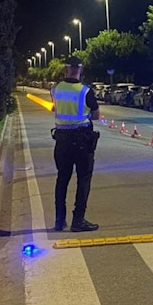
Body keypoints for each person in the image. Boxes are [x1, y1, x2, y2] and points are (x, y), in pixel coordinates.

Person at [51, 57, 101, 233]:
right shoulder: (85, 91)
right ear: (80, 70)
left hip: (61, 140)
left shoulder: (56, 89)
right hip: (81, 140)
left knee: (62, 179)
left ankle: (59, 220)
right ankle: (78, 220)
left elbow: (55, 108)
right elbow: (96, 116)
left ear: (65, 69)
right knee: (83, 180)